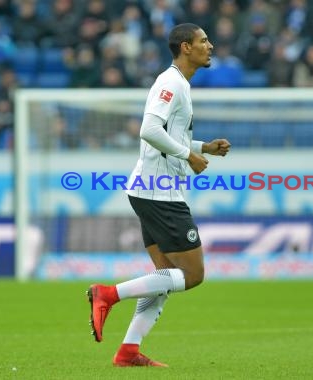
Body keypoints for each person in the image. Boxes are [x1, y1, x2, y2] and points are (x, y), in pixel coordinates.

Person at [86, 23, 231, 367]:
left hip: (149, 189)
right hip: (159, 192)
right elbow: (149, 130)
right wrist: (189, 156)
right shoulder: (170, 82)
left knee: (162, 278)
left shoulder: (180, 83)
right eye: (203, 41)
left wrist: (202, 146)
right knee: (192, 276)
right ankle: (107, 294)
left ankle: (128, 351)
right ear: (185, 47)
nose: (210, 46)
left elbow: (167, 135)